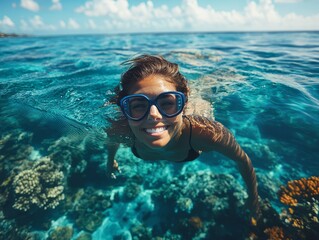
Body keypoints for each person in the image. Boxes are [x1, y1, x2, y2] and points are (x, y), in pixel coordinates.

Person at [105, 54, 259, 219]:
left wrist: (253, 199)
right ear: (125, 110)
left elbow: (243, 160)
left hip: (198, 106)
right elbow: (112, 142)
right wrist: (110, 160)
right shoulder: (120, 129)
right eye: (138, 105)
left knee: (206, 86)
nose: (153, 115)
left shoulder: (206, 133)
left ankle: (202, 60)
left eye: (168, 103)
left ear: (184, 103)